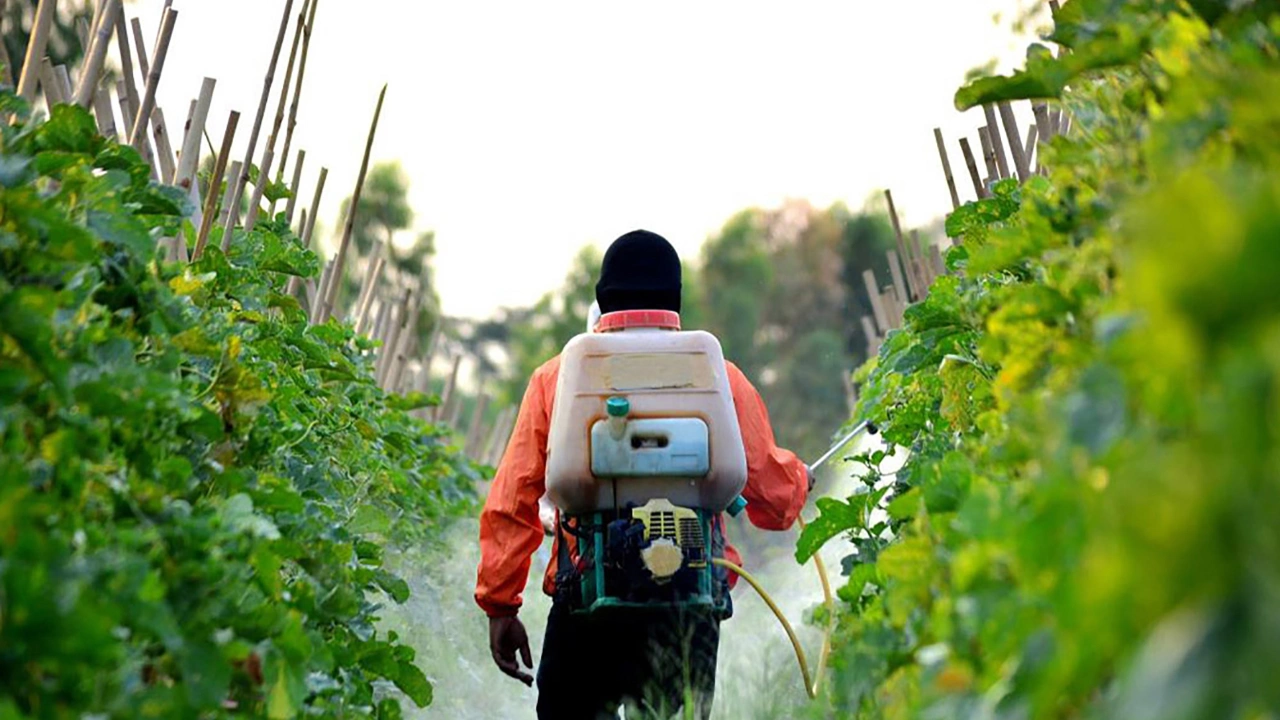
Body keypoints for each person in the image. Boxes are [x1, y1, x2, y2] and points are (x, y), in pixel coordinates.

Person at [475, 229, 814, 719]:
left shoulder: (557, 378)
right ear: (674, 299)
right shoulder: (718, 375)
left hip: (585, 604)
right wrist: (800, 480)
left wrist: (501, 606)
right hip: (688, 605)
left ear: (601, 297)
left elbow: (513, 499)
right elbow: (772, 495)